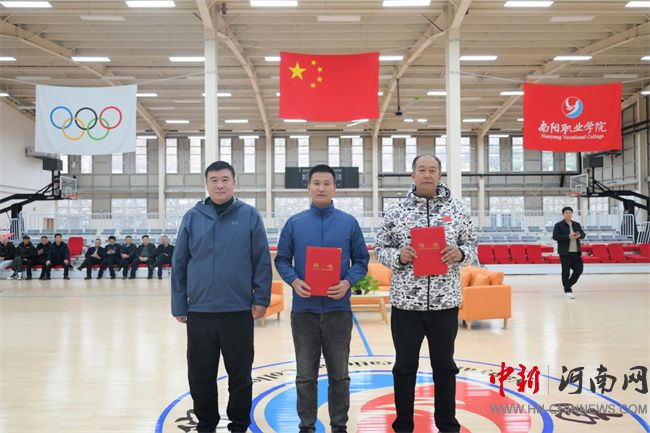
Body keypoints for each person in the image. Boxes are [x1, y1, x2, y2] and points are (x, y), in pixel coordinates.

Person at [375, 154, 477, 433]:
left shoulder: (457, 209)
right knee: (404, 368)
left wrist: (461, 253)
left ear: (440, 175)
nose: (427, 174)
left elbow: (472, 246)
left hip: (445, 304)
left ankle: (447, 425)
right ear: (413, 175)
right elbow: (380, 249)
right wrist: (399, 256)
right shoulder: (397, 211)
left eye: (433, 170)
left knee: (445, 368)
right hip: (406, 306)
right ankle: (403, 426)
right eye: (422, 169)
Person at [172, 160, 272, 433]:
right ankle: (206, 424)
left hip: (238, 311)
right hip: (200, 312)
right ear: (206, 184)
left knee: (240, 376)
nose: (219, 185)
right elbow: (179, 263)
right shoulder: (192, 217)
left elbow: (261, 260)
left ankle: (239, 425)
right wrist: (179, 304)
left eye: (225, 179)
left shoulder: (249, 215)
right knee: (200, 375)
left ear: (234, 182)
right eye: (214, 180)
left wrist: (261, 298)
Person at [275, 164, 370, 433]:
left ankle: (339, 426)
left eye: (327, 183)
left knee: (340, 376)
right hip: (304, 311)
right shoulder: (295, 223)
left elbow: (361, 260)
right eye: (316, 183)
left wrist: (347, 282)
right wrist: (294, 280)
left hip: (338, 310)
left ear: (334, 188)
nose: (321, 188)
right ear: (308, 187)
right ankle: (306, 426)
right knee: (305, 376)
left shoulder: (348, 223)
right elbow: (282, 259)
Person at [552, 206, 586, 299]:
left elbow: (583, 234)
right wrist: (568, 236)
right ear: (563, 214)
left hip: (576, 252)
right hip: (565, 253)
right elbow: (555, 236)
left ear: (572, 214)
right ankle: (568, 290)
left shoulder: (577, 224)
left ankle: (568, 285)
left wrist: (579, 236)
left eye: (570, 213)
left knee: (579, 270)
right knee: (565, 272)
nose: (568, 214)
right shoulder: (558, 225)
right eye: (566, 213)